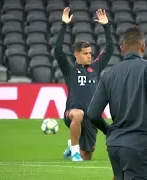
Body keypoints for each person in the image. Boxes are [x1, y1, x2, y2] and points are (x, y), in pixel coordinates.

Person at [87, 25, 147, 180]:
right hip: (139, 146)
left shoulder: (108, 74)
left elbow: (93, 114)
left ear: (122, 48)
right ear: (143, 47)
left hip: (114, 146)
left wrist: (109, 131)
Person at [54, 7, 114, 162]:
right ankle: (74, 150)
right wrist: (63, 25)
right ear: (76, 54)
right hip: (72, 114)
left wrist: (106, 26)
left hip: (91, 117)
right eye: (85, 53)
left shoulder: (96, 67)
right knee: (78, 114)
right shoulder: (70, 70)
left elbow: (109, 49)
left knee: (87, 156)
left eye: (90, 53)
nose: (89, 56)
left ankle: (72, 146)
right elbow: (58, 51)